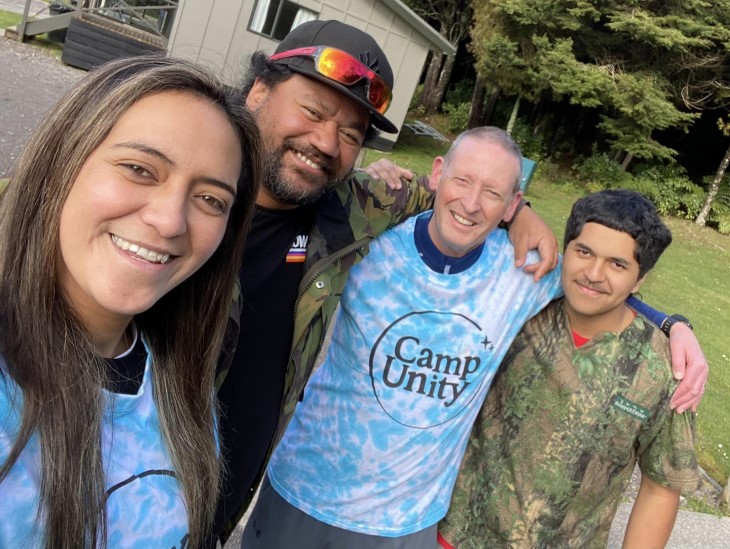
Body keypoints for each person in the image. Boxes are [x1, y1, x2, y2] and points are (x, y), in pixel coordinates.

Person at [213, 19, 708, 544]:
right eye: (463, 181)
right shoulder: (367, 232)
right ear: (437, 173)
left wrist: (672, 324)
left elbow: (596, 280)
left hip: (408, 521)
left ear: (513, 204)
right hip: (301, 490)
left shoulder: (525, 272)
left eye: (494, 194)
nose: (471, 203)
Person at [0, 56, 261, 548]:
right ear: (62, 158)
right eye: (139, 169)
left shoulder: (178, 375)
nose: (169, 221)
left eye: (210, 199)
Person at [437, 189, 700, 549]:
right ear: (566, 250)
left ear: (640, 279)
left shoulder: (664, 370)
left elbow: (660, 488)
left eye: (617, 264)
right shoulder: (516, 307)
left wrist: (674, 326)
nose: (593, 273)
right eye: (584, 251)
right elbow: (462, 209)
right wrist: (521, 213)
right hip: (455, 535)